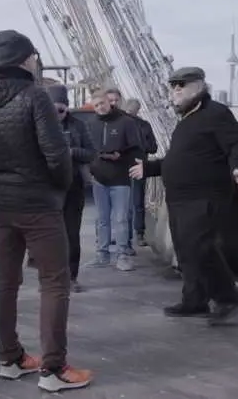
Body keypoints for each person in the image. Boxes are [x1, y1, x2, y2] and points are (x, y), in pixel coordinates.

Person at [0, 29, 92, 393]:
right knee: (54, 283)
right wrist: (59, 185)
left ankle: (10, 358)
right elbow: (56, 155)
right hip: (38, 203)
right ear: (27, 59)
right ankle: (53, 369)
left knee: (6, 281)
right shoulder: (34, 96)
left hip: (2, 201)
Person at [130, 66, 238, 325]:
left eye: (181, 85)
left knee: (200, 247)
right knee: (185, 250)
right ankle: (194, 300)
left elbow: (236, 144)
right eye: (173, 85)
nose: (175, 90)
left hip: (205, 195)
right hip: (180, 197)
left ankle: (228, 296)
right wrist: (149, 168)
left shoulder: (216, 113)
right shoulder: (187, 120)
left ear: (199, 86)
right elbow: (181, 158)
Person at [85, 89, 143, 271]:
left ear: (108, 102)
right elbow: (86, 148)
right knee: (102, 219)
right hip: (99, 178)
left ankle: (123, 255)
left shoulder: (126, 122)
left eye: (102, 103)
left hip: (120, 178)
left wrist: (121, 156)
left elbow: (137, 149)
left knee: (121, 218)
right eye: (96, 106)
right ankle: (102, 254)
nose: (100, 108)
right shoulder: (91, 123)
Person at [47, 84, 95, 292]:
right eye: (54, 110)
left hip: (73, 184)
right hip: (48, 185)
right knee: (49, 234)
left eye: (61, 110)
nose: (58, 115)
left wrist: (71, 151)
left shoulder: (77, 125)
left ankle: (71, 276)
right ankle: (52, 276)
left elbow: (91, 153)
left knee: (72, 233)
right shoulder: (40, 124)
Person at [118, 96, 157, 247]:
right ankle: (134, 235)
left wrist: (140, 145)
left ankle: (134, 234)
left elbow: (153, 147)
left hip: (137, 165)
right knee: (133, 202)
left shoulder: (143, 125)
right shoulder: (140, 125)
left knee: (134, 201)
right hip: (129, 165)